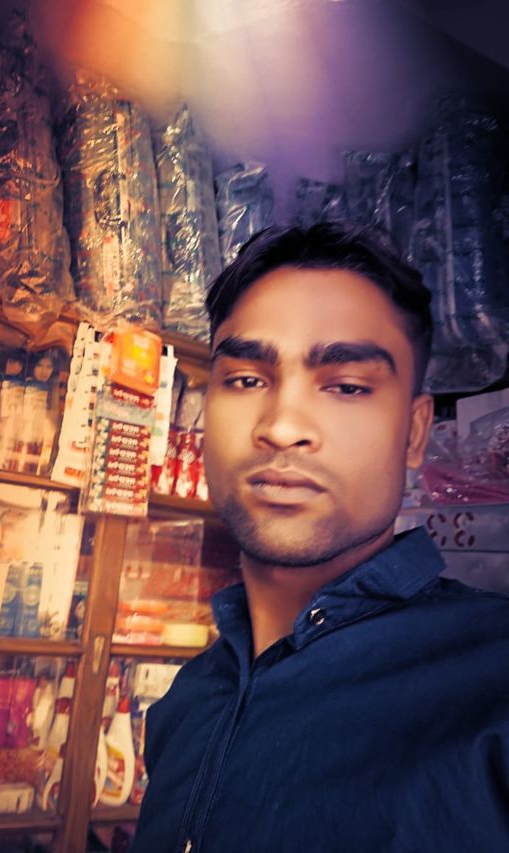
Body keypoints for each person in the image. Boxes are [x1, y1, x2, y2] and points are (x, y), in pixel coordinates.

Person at [130, 222, 509, 853]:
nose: (282, 427)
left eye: (347, 386)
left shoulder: (493, 685)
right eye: (245, 380)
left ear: (415, 433)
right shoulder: (186, 702)